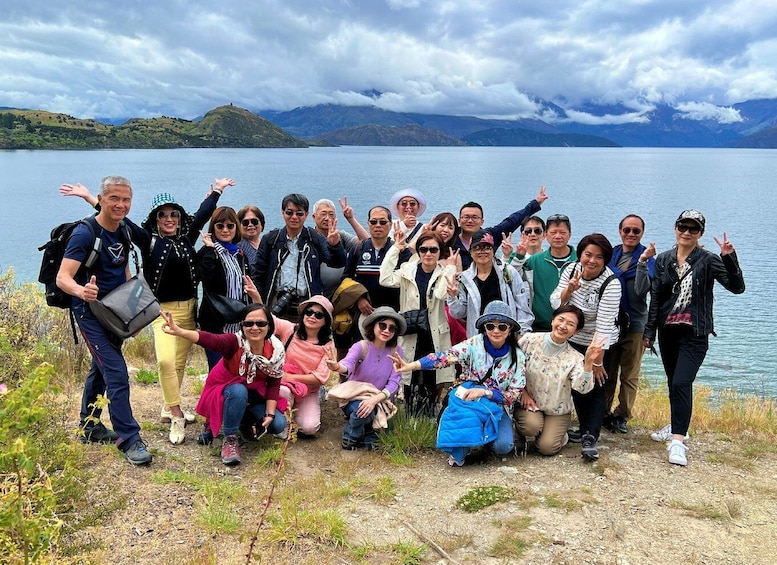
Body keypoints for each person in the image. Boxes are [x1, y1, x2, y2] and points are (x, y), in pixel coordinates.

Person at [60, 178, 235, 444]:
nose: (169, 218)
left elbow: (202, 213)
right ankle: (176, 415)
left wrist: (217, 191)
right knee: (165, 361)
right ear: (154, 218)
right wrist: (89, 198)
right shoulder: (148, 240)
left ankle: (167, 406)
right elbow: (118, 217)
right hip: (161, 311)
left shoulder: (187, 238)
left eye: (173, 213)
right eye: (162, 214)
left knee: (177, 365)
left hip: (189, 309)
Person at [56, 175, 151, 465]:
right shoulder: (85, 234)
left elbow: (122, 272)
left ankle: (89, 426)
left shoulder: (122, 231)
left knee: (100, 368)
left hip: (113, 311)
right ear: (102, 199)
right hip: (89, 313)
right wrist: (81, 291)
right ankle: (129, 439)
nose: (121, 205)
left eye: (126, 199)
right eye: (114, 198)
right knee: (116, 371)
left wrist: (130, 315)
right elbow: (63, 278)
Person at [644, 210, 745, 466]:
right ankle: (678, 424)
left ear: (700, 233)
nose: (687, 232)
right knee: (672, 383)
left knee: (681, 382)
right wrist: (649, 332)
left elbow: (737, 288)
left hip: (695, 334)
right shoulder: (665, 259)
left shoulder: (708, 260)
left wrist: (729, 257)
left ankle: (678, 441)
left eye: (693, 229)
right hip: (668, 332)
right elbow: (656, 297)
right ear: (675, 228)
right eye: (683, 227)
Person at [389, 301, 525, 467]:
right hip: (467, 398)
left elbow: (514, 395)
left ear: (510, 328)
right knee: (463, 424)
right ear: (484, 327)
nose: (496, 331)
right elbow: (445, 357)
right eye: (490, 326)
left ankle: (481, 437)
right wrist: (411, 366)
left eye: (502, 326)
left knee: (503, 446)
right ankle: (464, 443)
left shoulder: (518, 357)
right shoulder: (474, 344)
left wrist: (485, 393)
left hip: (494, 404)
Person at [160, 304, 288, 466]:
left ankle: (244, 422)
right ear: (242, 325)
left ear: (269, 326)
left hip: (256, 394)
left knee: (278, 424)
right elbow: (210, 339)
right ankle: (230, 439)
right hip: (226, 389)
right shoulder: (234, 342)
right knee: (238, 391)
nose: (254, 327)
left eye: (260, 323)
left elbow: (274, 383)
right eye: (249, 323)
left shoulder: (276, 351)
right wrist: (180, 332)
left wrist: (269, 414)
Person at [550, 233, 621, 462]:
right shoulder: (571, 270)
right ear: (580, 254)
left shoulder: (611, 283)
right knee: (577, 383)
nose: (592, 260)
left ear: (605, 260)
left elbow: (605, 324)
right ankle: (582, 427)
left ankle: (591, 436)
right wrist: (569, 290)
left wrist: (596, 360)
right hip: (572, 337)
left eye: (599, 257)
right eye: (588, 254)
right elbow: (555, 303)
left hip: (599, 340)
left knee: (596, 385)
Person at [379, 231, 457, 417]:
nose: (428, 254)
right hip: (412, 328)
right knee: (408, 372)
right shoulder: (407, 270)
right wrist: (395, 249)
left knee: (431, 372)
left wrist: (451, 268)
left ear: (440, 252)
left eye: (433, 249)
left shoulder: (443, 272)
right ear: (419, 251)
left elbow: (440, 294)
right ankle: (410, 414)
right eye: (423, 249)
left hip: (434, 331)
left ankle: (428, 414)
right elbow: (385, 278)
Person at [515, 305, 603, 457]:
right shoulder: (529, 340)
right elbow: (512, 365)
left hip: (557, 410)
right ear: (552, 320)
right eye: (560, 320)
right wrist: (522, 392)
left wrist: (588, 363)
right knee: (531, 427)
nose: (563, 326)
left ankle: (560, 435)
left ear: (576, 331)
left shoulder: (575, 357)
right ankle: (520, 432)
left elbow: (582, 388)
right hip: (529, 403)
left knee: (546, 448)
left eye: (570, 324)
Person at [252, 193, 346, 322]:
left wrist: (334, 245)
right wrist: (259, 305)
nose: (294, 217)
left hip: (308, 303)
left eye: (299, 213)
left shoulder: (315, 238)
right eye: (289, 212)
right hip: (276, 302)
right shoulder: (271, 240)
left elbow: (337, 262)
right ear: (282, 213)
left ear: (306, 215)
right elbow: (259, 273)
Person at [603, 215, 656, 435]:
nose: (631, 234)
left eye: (636, 231)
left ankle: (622, 415)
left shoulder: (650, 259)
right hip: (609, 322)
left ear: (642, 233)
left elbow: (644, 290)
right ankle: (602, 412)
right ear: (619, 231)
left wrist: (642, 262)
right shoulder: (610, 255)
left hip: (634, 324)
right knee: (606, 372)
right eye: (627, 230)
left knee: (630, 374)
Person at [327, 307, 405, 450]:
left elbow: (394, 382)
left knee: (372, 445)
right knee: (363, 410)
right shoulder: (361, 346)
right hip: (355, 396)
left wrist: (374, 400)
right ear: (373, 325)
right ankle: (350, 437)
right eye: (382, 325)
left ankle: (367, 431)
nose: (387, 330)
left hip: (381, 400)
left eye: (392, 328)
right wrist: (337, 367)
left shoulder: (397, 351)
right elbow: (348, 364)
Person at [447, 229, 533, 338]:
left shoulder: (508, 271)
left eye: (487, 247)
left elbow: (522, 305)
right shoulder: (465, 278)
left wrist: (522, 333)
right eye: (477, 248)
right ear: (471, 252)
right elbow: (458, 313)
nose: (482, 251)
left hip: (507, 335)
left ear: (493, 250)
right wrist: (452, 297)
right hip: (478, 339)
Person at [198, 206, 254, 370]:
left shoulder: (239, 255)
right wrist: (209, 249)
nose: (225, 230)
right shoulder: (208, 252)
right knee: (218, 370)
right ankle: (214, 396)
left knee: (238, 369)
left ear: (236, 227)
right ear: (213, 227)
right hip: (216, 323)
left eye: (230, 226)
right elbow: (206, 279)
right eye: (220, 225)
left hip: (238, 324)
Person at [274, 295, 336, 436]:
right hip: (285, 386)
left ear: (325, 321)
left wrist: (291, 376)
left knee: (309, 428)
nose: (312, 316)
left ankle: (304, 405)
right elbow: (267, 320)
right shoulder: (290, 330)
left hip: (309, 390)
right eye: (309, 312)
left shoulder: (327, 345)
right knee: (283, 391)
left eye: (319, 315)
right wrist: (256, 297)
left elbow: (320, 377)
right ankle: (284, 421)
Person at [510, 214, 577, 331]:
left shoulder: (579, 260)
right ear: (546, 235)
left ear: (570, 235)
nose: (558, 236)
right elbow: (511, 278)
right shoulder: (534, 261)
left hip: (573, 328)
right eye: (553, 232)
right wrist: (518, 257)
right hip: (540, 326)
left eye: (562, 232)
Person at [455, 186, 547, 270]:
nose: (470, 221)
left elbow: (512, 221)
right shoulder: (452, 241)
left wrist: (535, 204)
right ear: (459, 220)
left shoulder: (490, 236)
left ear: (482, 221)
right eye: (466, 217)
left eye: (475, 217)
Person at [312, 197, 368, 297]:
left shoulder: (340, 236)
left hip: (339, 294)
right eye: (323, 214)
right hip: (314, 293)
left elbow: (367, 243)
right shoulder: (309, 236)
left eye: (331, 214)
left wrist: (351, 219)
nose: (327, 218)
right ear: (314, 217)